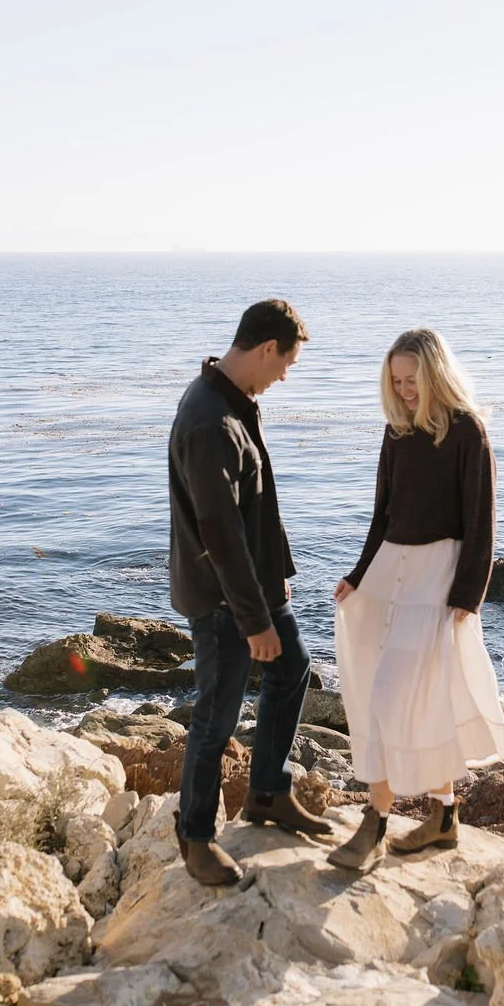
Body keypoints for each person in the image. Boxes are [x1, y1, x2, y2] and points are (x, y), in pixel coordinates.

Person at [329, 327, 504, 873]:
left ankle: (375, 822)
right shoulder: (395, 432)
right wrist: (358, 575)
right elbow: (381, 515)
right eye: (396, 381)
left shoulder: (467, 432)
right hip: (389, 569)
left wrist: (469, 594)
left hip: (437, 578)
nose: (405, 390)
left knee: (395, 697)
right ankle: (444, 814)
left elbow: (480, 521)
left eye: (412, 380)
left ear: (436, 374)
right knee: (376, 688)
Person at [168, 298, 332, 886]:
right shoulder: (210, 420)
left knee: (294, 669)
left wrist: (277, 575)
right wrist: (254, 621)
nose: (285, 375)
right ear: (267, 349)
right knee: (216, 714)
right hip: (223, 598)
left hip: (260, 586)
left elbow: (253, 507)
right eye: (286, 363)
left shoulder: (237, 402)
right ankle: (195, 836)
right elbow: (220, 534)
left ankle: (266, 792)